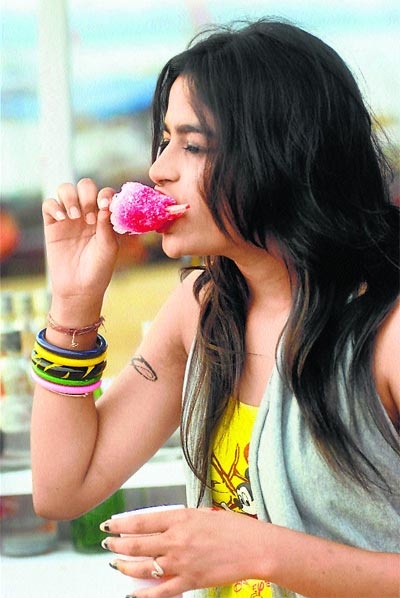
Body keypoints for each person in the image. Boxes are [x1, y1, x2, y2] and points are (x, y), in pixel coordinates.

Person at [31, 18, 399, 598]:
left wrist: (264, 552)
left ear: (282, 152)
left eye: (192, 145)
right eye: (165, 141)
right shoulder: (201, 313)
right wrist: (74, 307)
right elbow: (62, 489)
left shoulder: (388, 333)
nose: (158, 170)